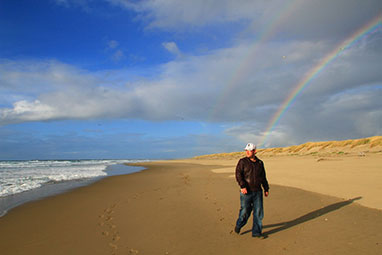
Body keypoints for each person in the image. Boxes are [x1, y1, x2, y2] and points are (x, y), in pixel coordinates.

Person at [234, 143, 269, 237]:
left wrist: (266, 188)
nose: (247, 152)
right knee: (245, 212)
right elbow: (238, 174)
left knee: (258, 213)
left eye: (249, 150)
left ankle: (257, 232)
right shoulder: (242, 162)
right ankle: (239, 224)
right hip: (246, 192)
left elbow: (263, 177)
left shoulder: (260, 163)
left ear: (254, 151)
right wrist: (242, 186)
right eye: (246, 150)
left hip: (258, 192)